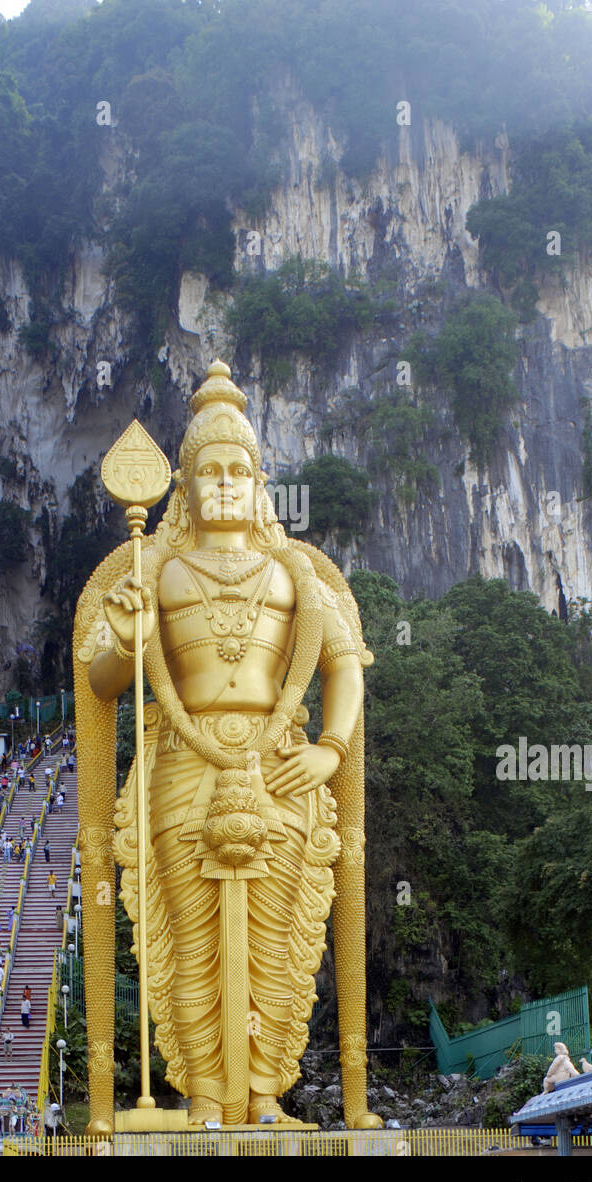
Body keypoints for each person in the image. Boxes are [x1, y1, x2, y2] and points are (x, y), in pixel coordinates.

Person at [81, 361, 376, 1128]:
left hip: (281, 765)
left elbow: (344, 669)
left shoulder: (297, 574)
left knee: (277, 942)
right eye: (206, 471)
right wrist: (123, 631)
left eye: (236, 471)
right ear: (182, 483)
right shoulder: (155, 569)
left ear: (259, 481)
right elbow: (105, 682)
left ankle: (266, 1096)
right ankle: (206, 1096)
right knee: (190, 938)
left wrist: (332, 750)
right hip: (183, 764)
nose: (222, 484)